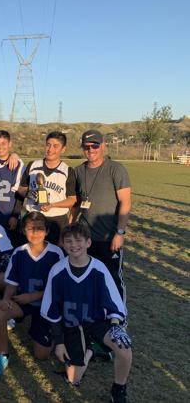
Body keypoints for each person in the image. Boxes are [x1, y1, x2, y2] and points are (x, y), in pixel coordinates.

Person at [41, 222, 132, 403]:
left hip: (96, 323)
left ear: (88, 242)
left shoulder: (99, 268)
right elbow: (52, 310)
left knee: (124, 349)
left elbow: (115, 302)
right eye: (69, 241)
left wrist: (115, 326)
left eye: (79, 240)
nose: (74, 245)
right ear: (63, 244)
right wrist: (59, 342)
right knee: (73, 379)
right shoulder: (58, 270)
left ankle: (118, 390)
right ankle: (93, 349)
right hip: (72, 326)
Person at [0, 212, 64, 376]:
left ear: (46, 231)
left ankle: (55, 333)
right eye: (31, 228)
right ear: (24, 230)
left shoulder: (56, 253)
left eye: (39, 228)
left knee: (41, 355)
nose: (35, 232)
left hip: (46, 305)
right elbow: (12, 282)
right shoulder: (19, 252)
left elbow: (59, 288)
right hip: (23, 302)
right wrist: (6, 299)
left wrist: (33, 296)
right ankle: (3, 355)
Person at [74, 130, 131, 303]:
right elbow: (76, 203)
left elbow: (125, 202)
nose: (91, 150)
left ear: (103, 146)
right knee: (87, 278)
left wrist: (119, 233)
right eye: (86, 147)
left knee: (113, 280)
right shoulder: (78, 171)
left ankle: (118, 317)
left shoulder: (116, 169)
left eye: (95, 146)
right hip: (85, 239)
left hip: (108, 238)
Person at [18, 131, 77, 245]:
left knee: (56, 253)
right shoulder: (33, 165)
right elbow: (21, 189)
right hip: (33, 217)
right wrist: (29, 194)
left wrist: (52, 205)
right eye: (48, 145)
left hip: (56, 220)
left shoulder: (67, 171)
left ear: (63, 149)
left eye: (55, 146)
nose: (50, 149)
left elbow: (72, 200)